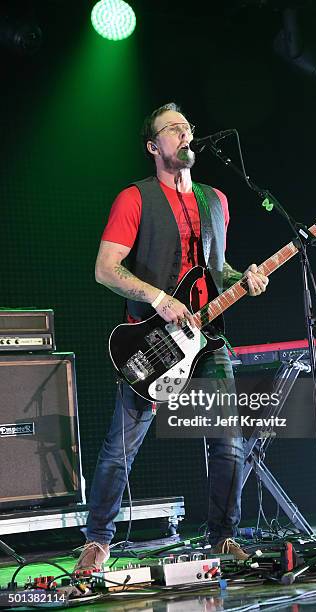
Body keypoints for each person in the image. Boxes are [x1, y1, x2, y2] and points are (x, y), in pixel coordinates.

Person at [74, 102, 269, 571]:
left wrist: (248, 277)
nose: (184, 134)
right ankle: (97, 540)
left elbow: (216, 270)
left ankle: (222, 537)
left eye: (187, 127)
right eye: (173, 129)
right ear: (153, 145)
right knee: (121, 447)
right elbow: (105, 269)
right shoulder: (134, 198)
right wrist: (160, 299)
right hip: (153, 342)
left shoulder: (216, 200)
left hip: (209, 339)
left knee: (228, 444)